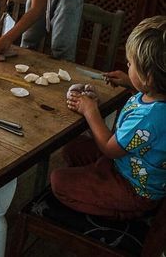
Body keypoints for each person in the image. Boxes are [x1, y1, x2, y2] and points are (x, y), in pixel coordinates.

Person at [51, 16, 166, 219]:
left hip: (133, 187)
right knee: (72, 149)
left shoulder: (149, 117)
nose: (127, 66)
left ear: (148, 78)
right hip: (129, 164)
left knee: (58, 181)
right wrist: (130, 82)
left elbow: (109, 148)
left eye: (131, 65)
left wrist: (90, 111)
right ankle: (95, 178)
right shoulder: (156, 95)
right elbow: (148, 98)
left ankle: (121, 212)